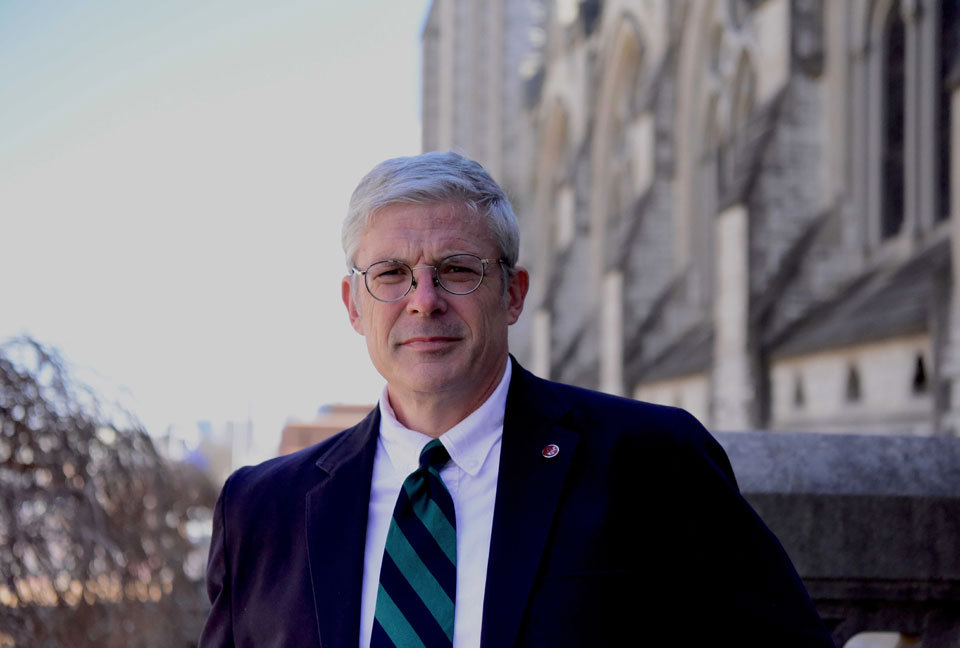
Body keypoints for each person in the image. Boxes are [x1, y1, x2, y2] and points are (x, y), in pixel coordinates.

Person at [199, 152, 835, 647]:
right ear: (352, 306)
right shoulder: (260, 511)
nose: (424, 299)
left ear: (512, 293)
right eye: (392, 274)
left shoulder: (653, 462)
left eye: (457, 269)